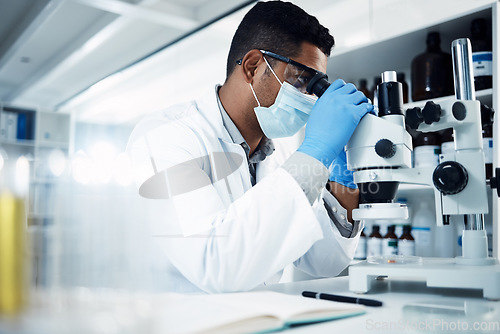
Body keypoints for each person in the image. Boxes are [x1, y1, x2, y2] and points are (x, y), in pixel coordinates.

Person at [127, 0, 373, 293]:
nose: (310, 97)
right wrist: (314, 153)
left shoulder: (279, 150)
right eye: (303, 81)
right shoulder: (166, 137)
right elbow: (216, 264)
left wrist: (342, 187)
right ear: (254, 67)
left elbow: (323, 261)